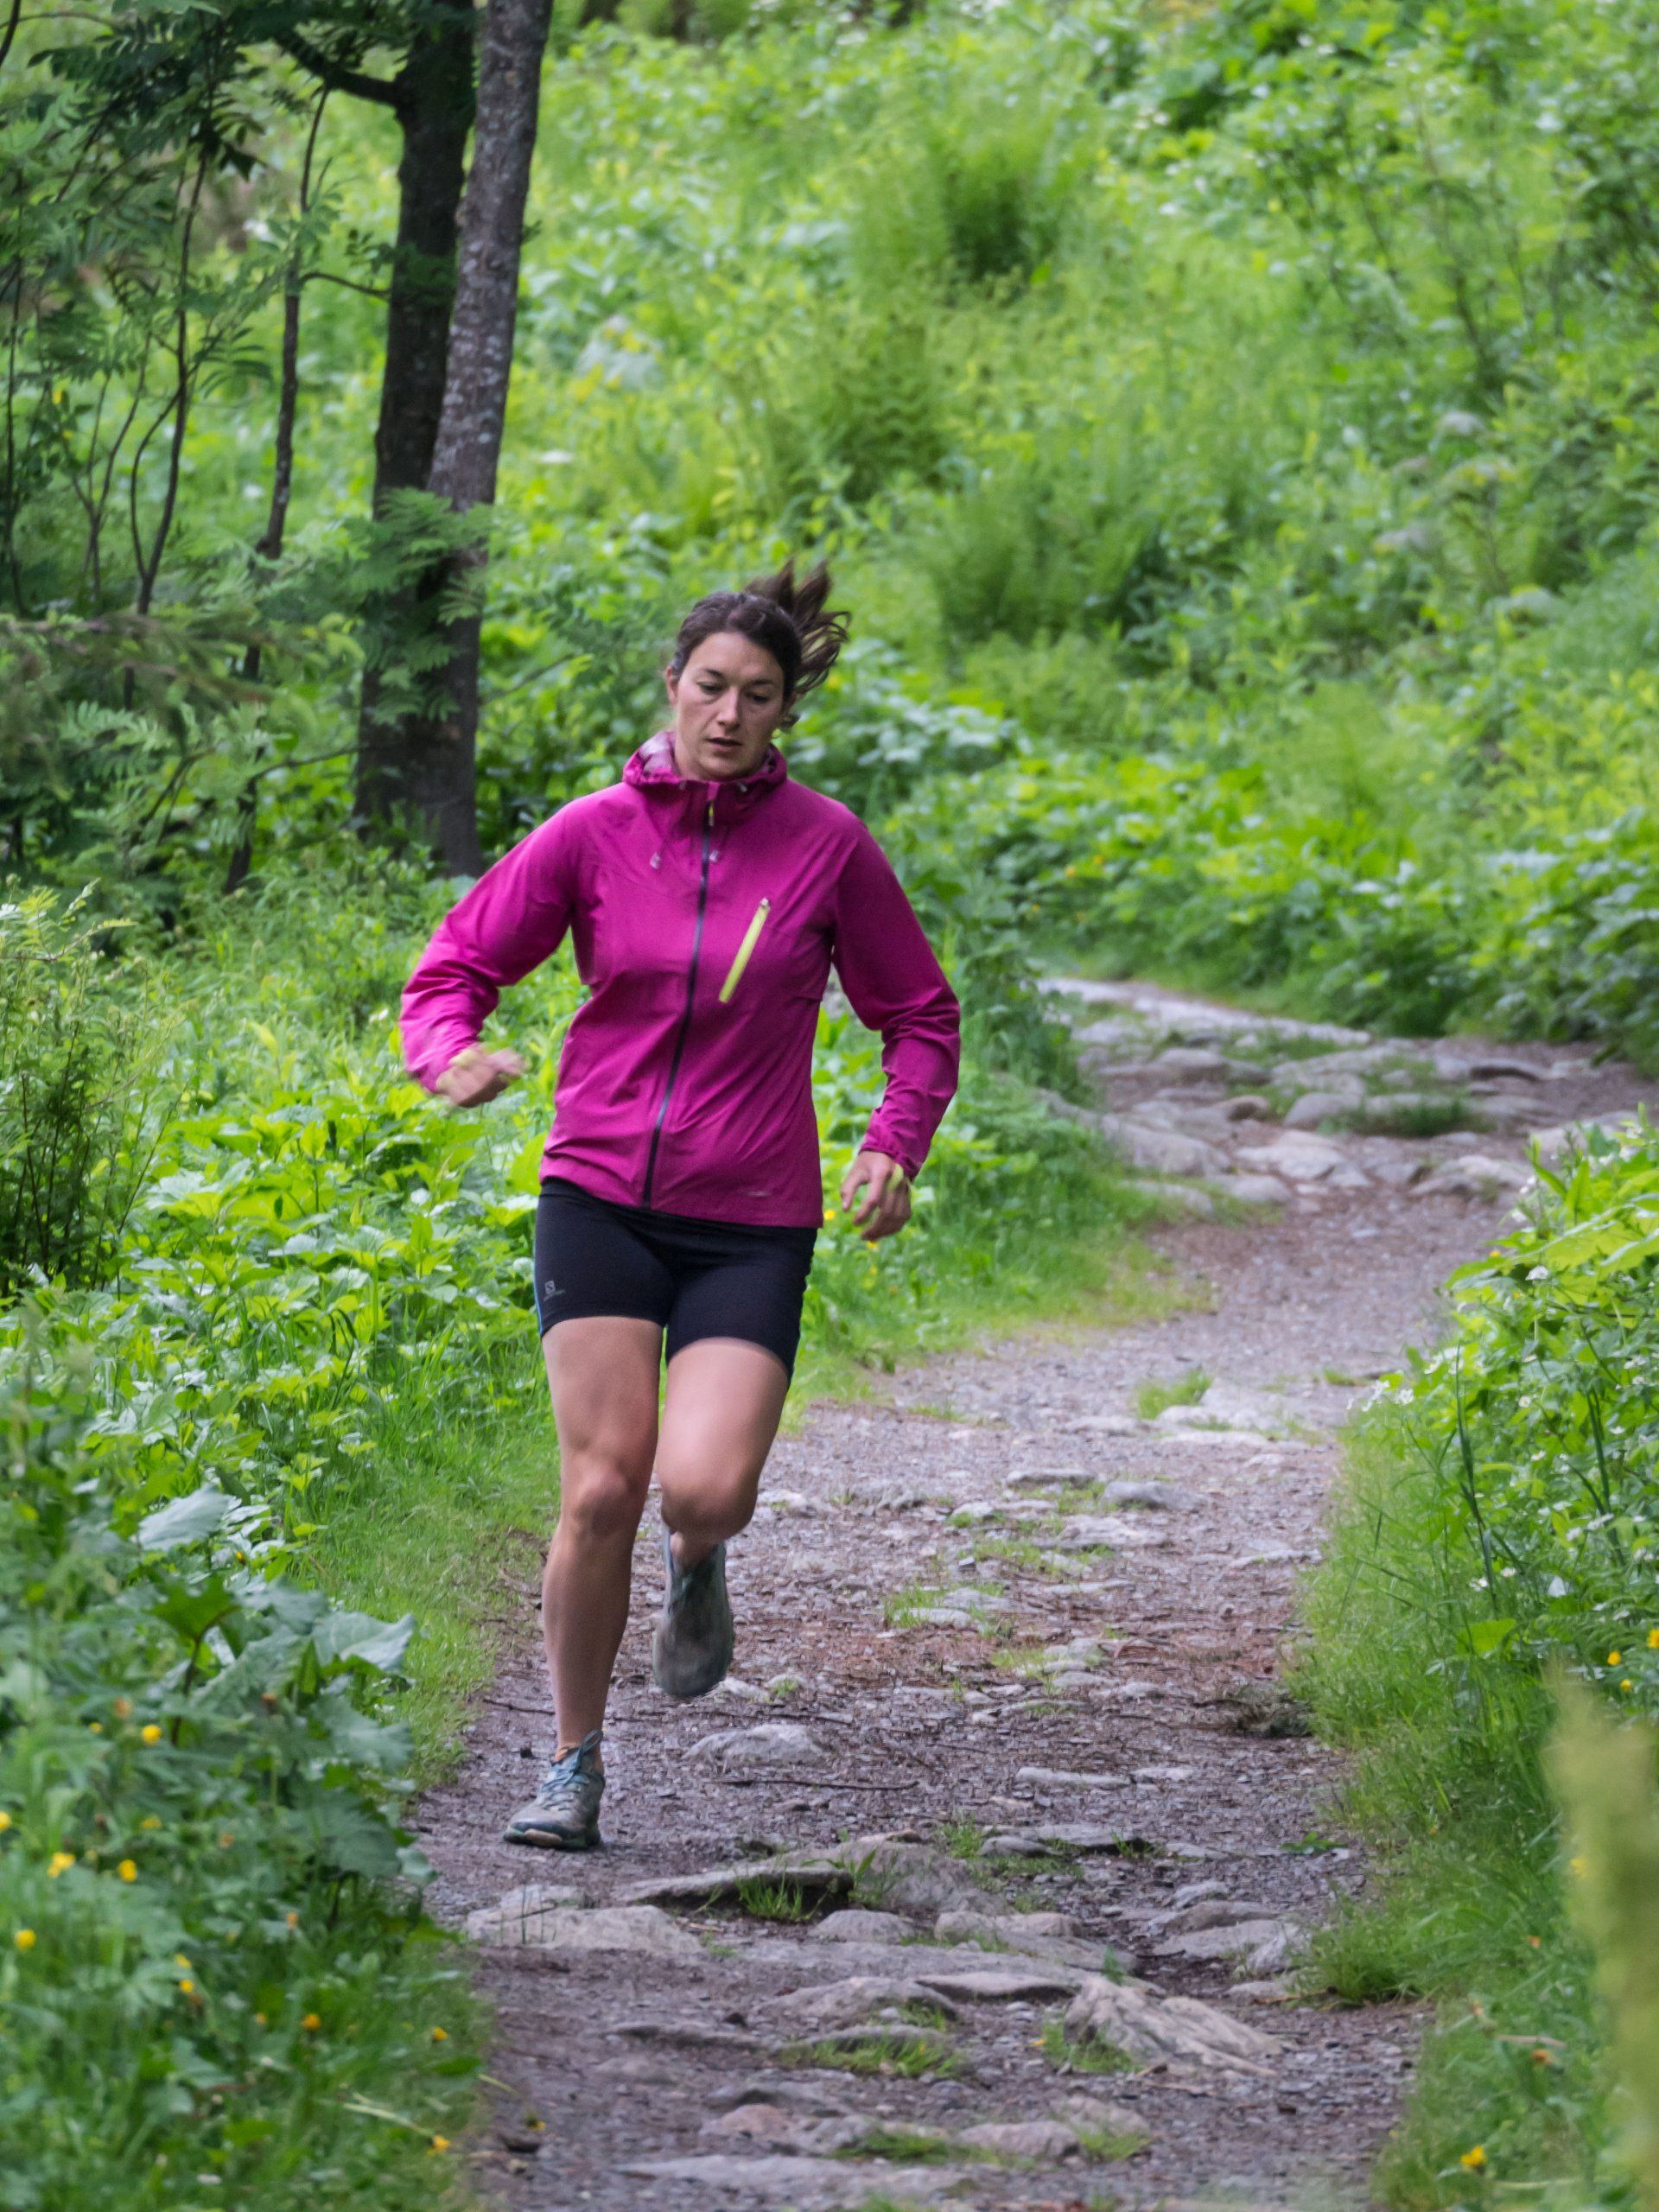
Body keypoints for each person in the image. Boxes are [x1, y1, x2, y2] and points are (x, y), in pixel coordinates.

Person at [400, 562, 960, 1849]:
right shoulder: (594, 832)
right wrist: (449, 1057)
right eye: (711, 686)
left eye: (758, 697)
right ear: (672, 686)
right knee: (601, 1486)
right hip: (597, 1190)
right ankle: (572, 1766)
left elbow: (919, 1016)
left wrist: (896, 1142)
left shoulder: (827, 848)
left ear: (785, 714)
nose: (729, 713)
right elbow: (458, 963)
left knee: (700, 1488)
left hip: (750, 1213)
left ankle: (700, 1556)